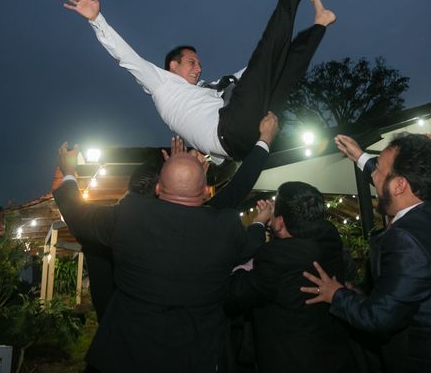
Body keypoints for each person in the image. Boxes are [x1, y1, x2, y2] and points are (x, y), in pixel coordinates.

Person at [63, 0, 336, 161]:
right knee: (267, 53)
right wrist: (96, 20)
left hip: (249, 136)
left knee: (283, 70)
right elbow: (126, 57)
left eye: (199, 64)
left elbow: (246, 76)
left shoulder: (208, 90)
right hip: (232, 131)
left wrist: (265, 66)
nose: (198, 68)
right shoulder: (160, 84)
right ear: (172, 65)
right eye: (192, 62)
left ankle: (321, 23)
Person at [53, 141, 272, 372]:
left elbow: (77, 215)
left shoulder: (130, 216)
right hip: (192, 360)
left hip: (123, 357)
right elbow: (250, 244)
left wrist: (69, 172)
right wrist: (258, 223)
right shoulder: (225, 227)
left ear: (158, 188)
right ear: (205, 190)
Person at [299, 133, 431, 372]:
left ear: (400, 185)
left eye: (379, 171)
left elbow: (380, 317)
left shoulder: (406, 240)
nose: (374, 175)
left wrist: (336, 295)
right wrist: (360, 157)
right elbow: (394, 174)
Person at [70, 112, 280, 324]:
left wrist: (69, 173)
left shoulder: (117, 226)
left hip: (125, 344)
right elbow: (238, 188)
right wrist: (264, 140)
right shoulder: (212, 224)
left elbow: (76, 214)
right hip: (195, 347)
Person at [226, 182, 351, 373]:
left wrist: (258, 224)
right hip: (330, 355)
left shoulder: (278, 256)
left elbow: (235, 294)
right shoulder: (330, 239)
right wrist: (277, 228)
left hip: (292, 360)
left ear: (282, 221)